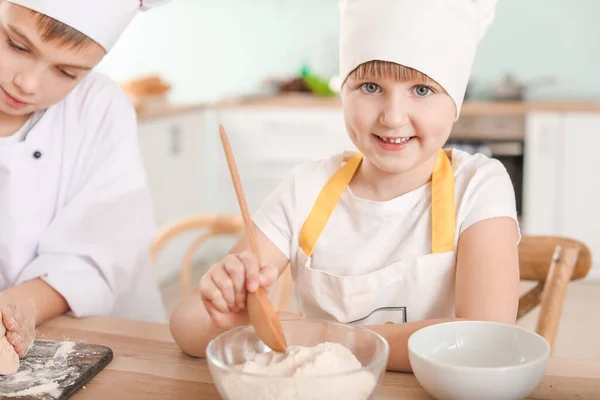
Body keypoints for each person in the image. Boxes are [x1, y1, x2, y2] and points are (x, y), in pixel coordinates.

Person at [170, 0, 520, 372]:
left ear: (456, 102)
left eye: (422, 90)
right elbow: (188, 327)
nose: (393, 116)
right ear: (344, 93)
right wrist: (223, 300)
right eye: (370, 86)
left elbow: (485, 340)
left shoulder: (479, 186)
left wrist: (311, 334)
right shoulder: (305, 189)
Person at [0, 0, 170, 360]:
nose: (27, 83)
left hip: (101, 340)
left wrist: (18, 307)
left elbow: (96, 256)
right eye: (16, 45)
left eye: (66, 72)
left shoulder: (99, 108)